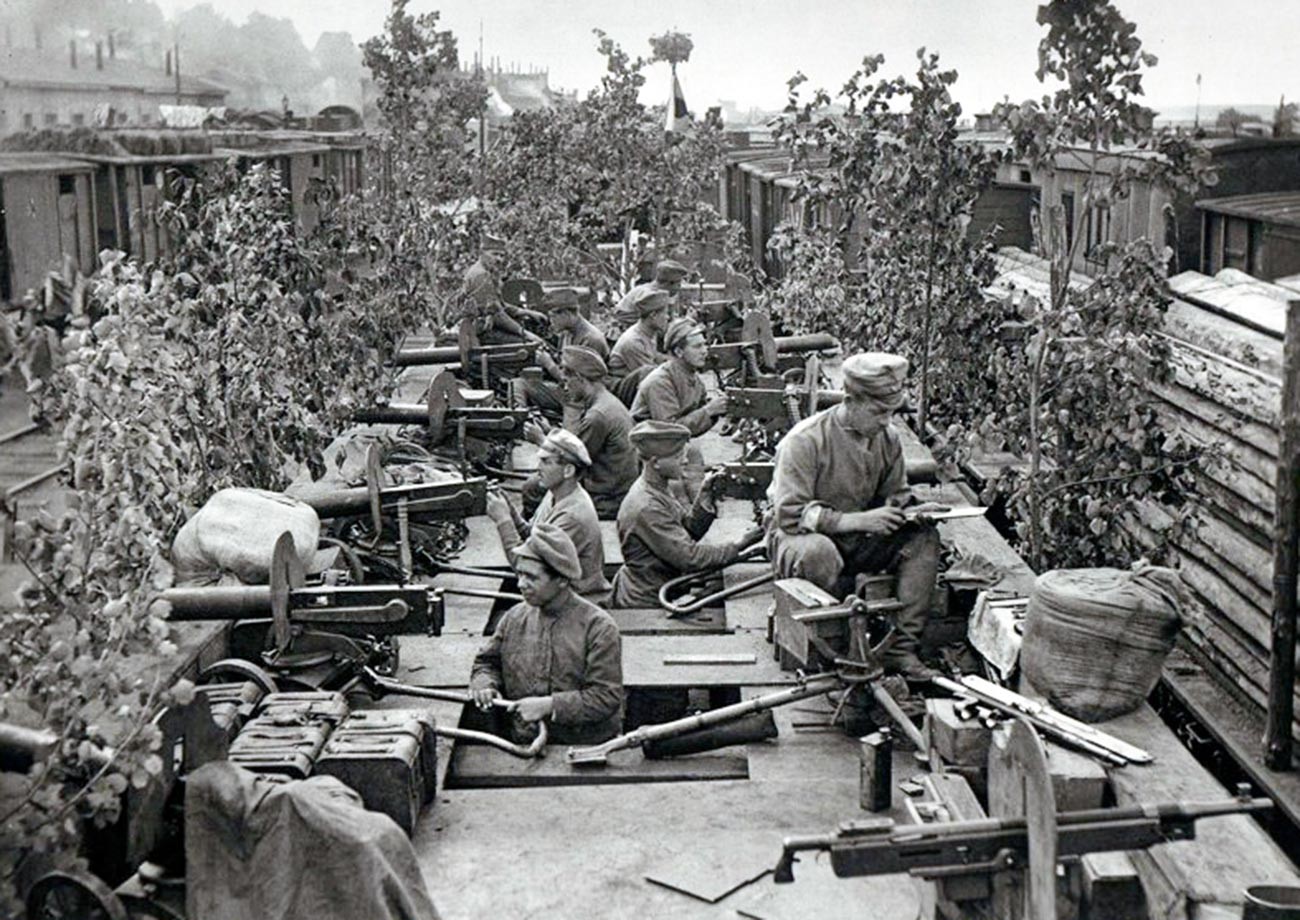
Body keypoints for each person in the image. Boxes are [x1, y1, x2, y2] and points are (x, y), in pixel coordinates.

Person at [765, 352, 946, 679]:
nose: (886, 421)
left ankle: (900, 648)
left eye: (890, 412)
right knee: (819, 553)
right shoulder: (806, 440)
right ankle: (827, 647)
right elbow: (790, 514)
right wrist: (857, 521)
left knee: (923, 539)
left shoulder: (886, 438)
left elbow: (895, 493)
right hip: (801, 540)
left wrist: (911, 510)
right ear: (850, 400)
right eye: (878, 412)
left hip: (858, 539)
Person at [469, 523, 624, 745]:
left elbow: (605, 697)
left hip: (582, 746)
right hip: (524, 742)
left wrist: (550, 705)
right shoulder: (514, 618)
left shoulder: (598, 628)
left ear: (561, 580)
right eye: (520, 574)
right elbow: (487, 663)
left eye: (532, 577)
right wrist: (484, 684)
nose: (521, 584)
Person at [611, 420, 763, 608]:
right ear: (656, 462)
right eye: (678, 457)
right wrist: (740, 545)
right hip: (648, 598)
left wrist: (705, 496)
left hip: (661, 584)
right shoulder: (647, 506)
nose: (684, 460)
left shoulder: (658, 488)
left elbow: (686, 531)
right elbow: (690, 558)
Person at [485, 428, 611, 604]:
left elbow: (526, 568)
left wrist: (503, 520)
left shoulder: (572, 516)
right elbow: (533, 537)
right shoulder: (556, 493)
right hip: (557, 595)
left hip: (576, 604)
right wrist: (510, 511)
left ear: (568, 470)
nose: (538, 467)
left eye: (546, 461)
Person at [630, 318, 727, 436]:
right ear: (679, 352)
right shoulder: (661, 382)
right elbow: (670, 430)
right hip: (644, 445)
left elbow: (696, 411)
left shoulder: (690, 375)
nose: (704, 351)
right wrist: (709, 410)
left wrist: (719, 407)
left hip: (663, 444)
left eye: (705, 345)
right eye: (697, 346)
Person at [524, 287, 609, 415]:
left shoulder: (590, 339)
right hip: (570, 392)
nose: (551, 321)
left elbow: (579, 384)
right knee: (520, 383)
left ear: (567, 314)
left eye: (553, 316)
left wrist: (549, 364)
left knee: (521, 386)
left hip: (582, 400)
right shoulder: (567, 333)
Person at [607, 288, 670, 406]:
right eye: (665, 313)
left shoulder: (648, 333)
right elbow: (652, 378)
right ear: (653, 315)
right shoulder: (633, 341)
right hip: (622, 393)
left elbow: (655, 357)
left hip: (635, 387)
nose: (668, 317)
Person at [610, 259, 690, 329]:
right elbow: (655, 326)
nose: (679, 288)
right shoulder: (649, 295)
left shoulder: (655, 292)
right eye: (678, 284)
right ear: (668, 283)